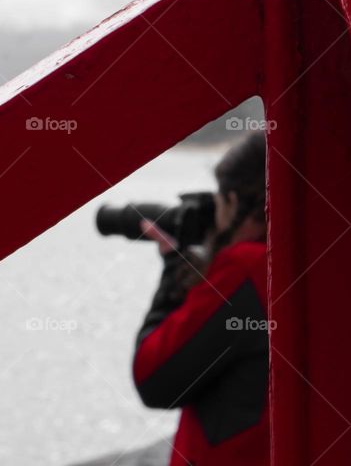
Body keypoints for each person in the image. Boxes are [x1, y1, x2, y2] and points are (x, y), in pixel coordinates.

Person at [132, 133, 270, 466]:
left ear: (238, 205)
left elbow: (154, 379)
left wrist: (173, 274)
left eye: (221, 202)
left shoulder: (248, 267)